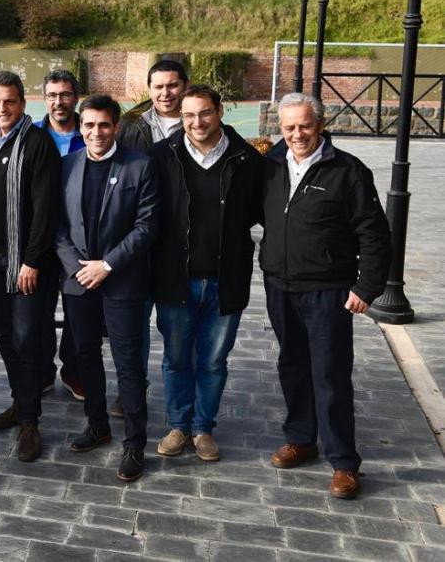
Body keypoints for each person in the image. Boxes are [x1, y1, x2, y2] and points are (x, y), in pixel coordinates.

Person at [260, 93, 392, 499]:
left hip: (328, 292)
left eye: (304, 125)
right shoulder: (269, 166)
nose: (297, 134)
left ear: (320, 124)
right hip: (280, 286)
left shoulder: (347, 170)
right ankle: (301, 438)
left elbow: (375, 234)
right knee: (292, 366)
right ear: (279, 129)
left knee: (330, 375)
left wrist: (366, 287)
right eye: (289, 127)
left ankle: (344, 462)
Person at [149, 85, 263, 463]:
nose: (197, 122)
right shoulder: (162, 156)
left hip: (225, 281)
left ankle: (203, 428)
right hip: (174, 280)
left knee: (213, 361)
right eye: (189, 115)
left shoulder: (246, 159)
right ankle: (178, 425)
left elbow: (262, 214)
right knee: (176, 358)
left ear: (220, 112)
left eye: (205, 113)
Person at [56, 95, 158, 482]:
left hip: (122, 281)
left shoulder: (140, 166)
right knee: (85, 357)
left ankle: (135, 442)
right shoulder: (67, 166)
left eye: (103, 125)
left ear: (116, 126)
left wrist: (108, 265)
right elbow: (57, 227)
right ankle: (97, 424)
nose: (96, 132)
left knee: (128, 363)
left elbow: (147, 226)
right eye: (89, 125)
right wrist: (78, 268)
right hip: (79, 282)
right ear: (81, 127)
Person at [0, 71, 61, 463]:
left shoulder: (38, 143)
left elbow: (45, 209)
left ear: (23, 104)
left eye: (9, 101)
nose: (2, 108)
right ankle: (19, 403)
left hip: (23, 265)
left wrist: (32, 259)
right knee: (5, 335)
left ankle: (30, 422)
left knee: (27, 340)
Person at [114, 59, 188, 417]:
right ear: (149, 89)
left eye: (172, 85)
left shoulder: (199, 125)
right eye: (158, 87)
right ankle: (132, 392)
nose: (165, 93)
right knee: (133, 330)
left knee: (176, 334)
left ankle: (180, 407)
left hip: (178, 249)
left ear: (184, 86)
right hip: (137, 246)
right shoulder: (131, 127)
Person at [35, 70, 86, 402]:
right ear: (45, 98)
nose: (59, 101)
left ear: (76, 97)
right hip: (40, 236)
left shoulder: (92, 130)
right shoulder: (32, 135)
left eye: (65, 94)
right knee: (38, 310)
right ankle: (41, 371)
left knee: (77, 312)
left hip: (78, 239)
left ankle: (72, 370)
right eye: (52, 95)